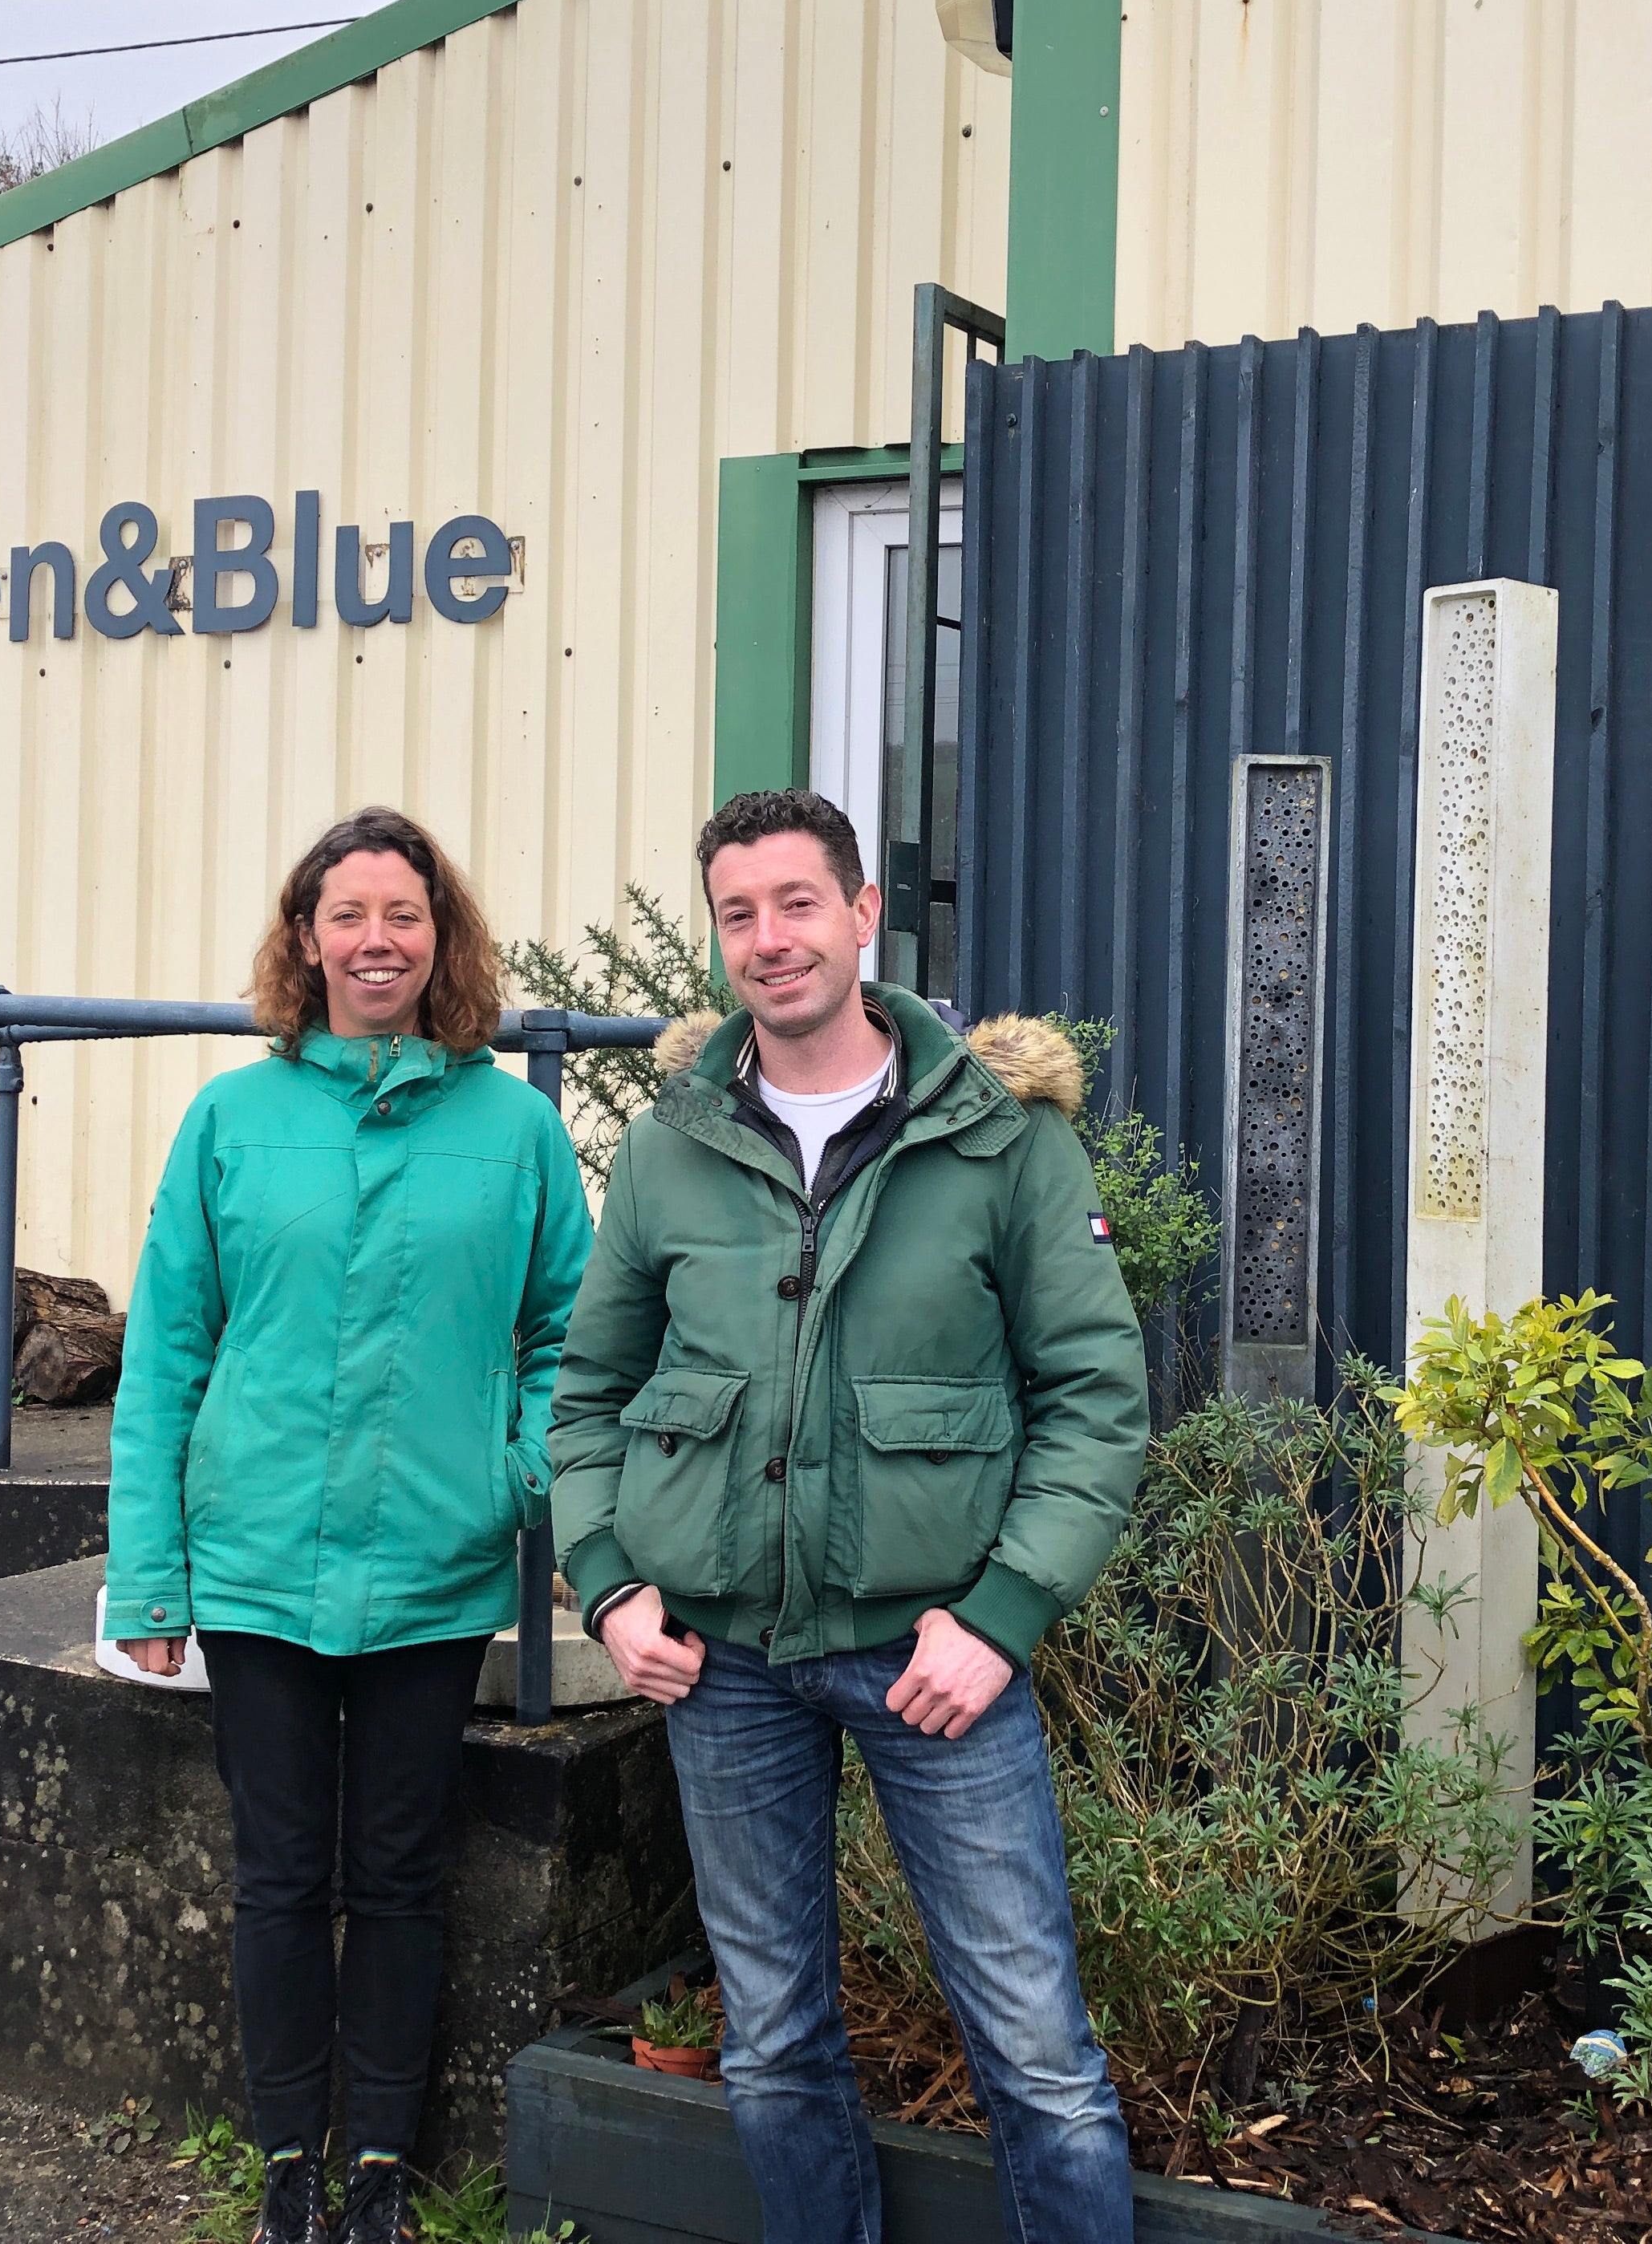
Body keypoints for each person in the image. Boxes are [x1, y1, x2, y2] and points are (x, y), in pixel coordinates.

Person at [550, 787, 1152, 2244]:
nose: (771, 940)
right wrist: (611, 1584)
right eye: (739, 914)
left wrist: (1004, 1619)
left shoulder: (996, 1138)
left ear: (864, 913)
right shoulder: (670, 1147)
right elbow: (584, 1397)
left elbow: (1097, 1401)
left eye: (799, 903)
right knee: (771, 2047)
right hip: (727, 1669)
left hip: (937, 1662)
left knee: (1039, 2057)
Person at [108, 805, 593, 2244]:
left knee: (396, 1875)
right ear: (304, 937)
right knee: (278, 1876)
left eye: (405, 916)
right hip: (254, 1562)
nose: (376, 940)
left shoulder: (513, 1127)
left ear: (443, 941)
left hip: (433, 1568)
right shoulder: (231, 1119)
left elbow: (571, 1329)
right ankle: (286, 2171)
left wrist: (518, 1473)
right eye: (348, 915)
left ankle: (378, 2168)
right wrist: (150, 1574)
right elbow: (167, 1355)